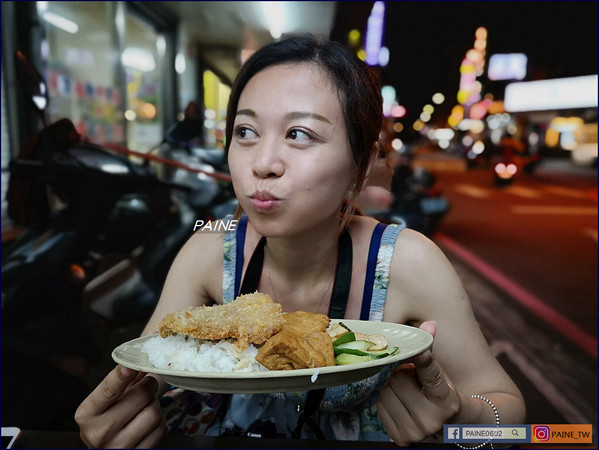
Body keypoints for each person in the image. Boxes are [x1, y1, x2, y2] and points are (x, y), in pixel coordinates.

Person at [75, 35, 525, 448]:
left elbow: (511, 416)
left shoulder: (409, 263)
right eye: (245, 132)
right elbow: (150, 367)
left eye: (299, 134)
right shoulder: (209, 249)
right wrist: (124, 416)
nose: (263, 163)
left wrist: (460, 419)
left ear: (361, 165)